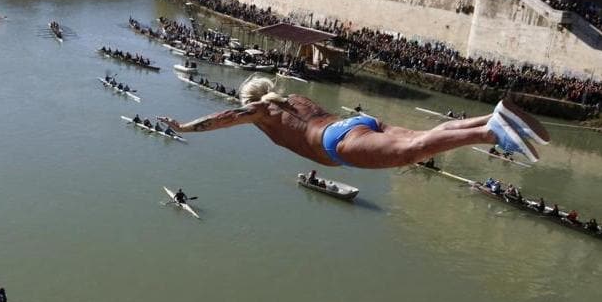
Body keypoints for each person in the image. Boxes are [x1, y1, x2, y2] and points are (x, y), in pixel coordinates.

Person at [156, 76, 549, 169]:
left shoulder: (263, 111)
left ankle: (491, 132)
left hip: (336, 145)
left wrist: (185, 127)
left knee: (413, 152)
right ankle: (491, 116)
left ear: (250, 101)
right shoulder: (293, 98)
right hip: (356, 123)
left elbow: (223, 119)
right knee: (423, 137)